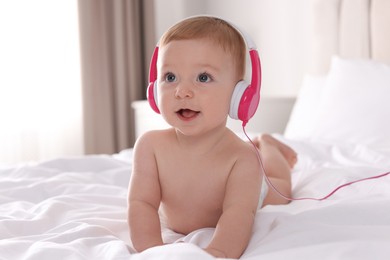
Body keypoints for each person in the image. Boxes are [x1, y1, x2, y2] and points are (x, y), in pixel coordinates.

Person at [127, 16, 297, 259]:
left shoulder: (242, 158)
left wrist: (217, 253)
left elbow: (237, 214)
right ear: (154, 88)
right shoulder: (150, 146)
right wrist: (152, 250)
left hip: (252, 191)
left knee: (280, 185)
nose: (182, 91)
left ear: (240, 95)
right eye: (170, 77)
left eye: (203, 77)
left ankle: (269, 145)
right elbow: (141, 203)